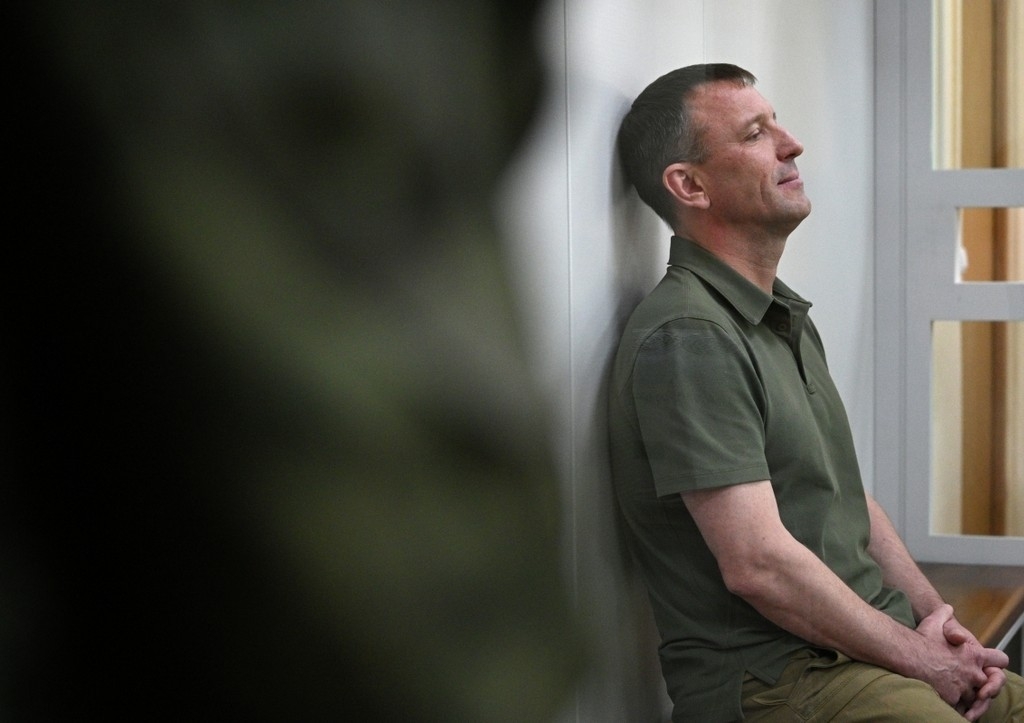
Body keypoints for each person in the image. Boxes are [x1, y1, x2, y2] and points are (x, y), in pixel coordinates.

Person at [608, 63, 1024, 722]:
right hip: (779, 679)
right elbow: (758, 565)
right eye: (755, 133)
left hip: (863, 650)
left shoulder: (777, 312)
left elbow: (846, 495)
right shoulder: (690, 334)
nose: (791, 143)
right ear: (690, 185)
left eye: (776, 123)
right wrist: (922, 662)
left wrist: (938, 621)